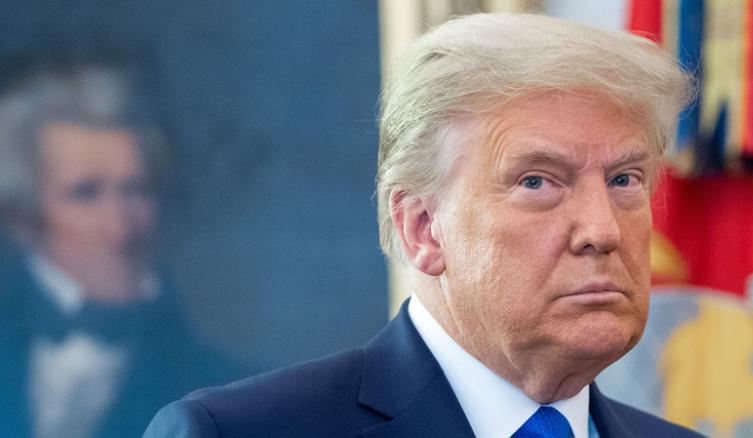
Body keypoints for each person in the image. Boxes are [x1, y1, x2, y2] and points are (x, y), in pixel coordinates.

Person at [144, 13, 703, 438]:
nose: (602, 231)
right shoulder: (238, 431)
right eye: (537, 182)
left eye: (625, 180)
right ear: (422, 228)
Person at [0, 64, 231, 438]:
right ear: (22, 217)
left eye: (135, 190)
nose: (120, 227)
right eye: (85, 193)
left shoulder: (223, 391)